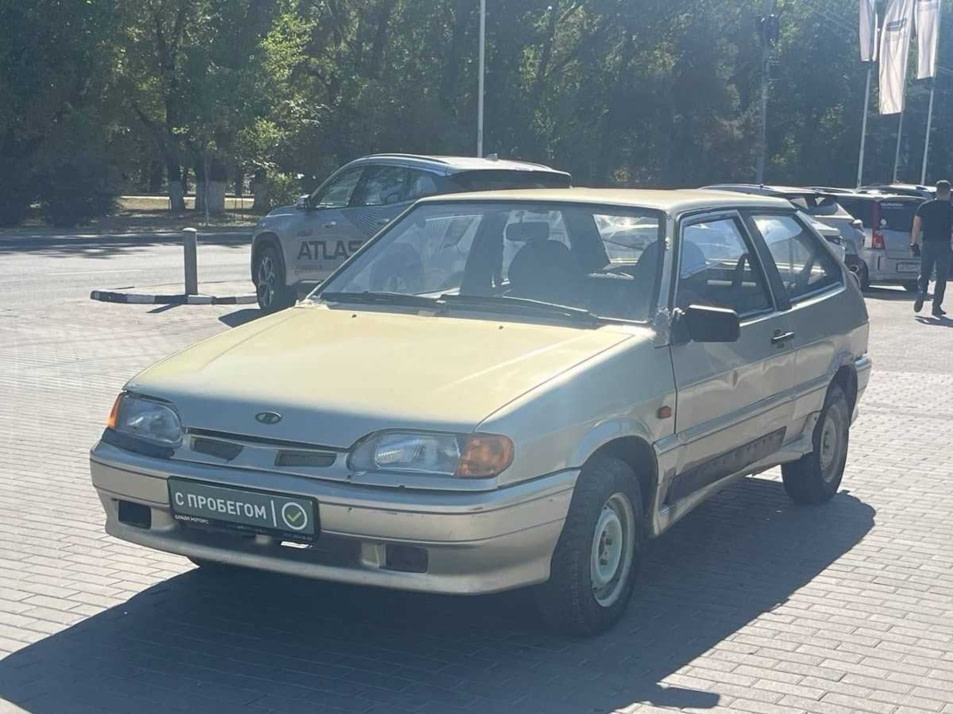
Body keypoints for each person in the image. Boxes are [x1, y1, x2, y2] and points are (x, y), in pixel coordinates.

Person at [910, 180, 953, 317]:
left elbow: (916, 225)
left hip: (927, 243)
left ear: (936, 190)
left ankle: (922, 291)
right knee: (941, 277)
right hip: (944, 244)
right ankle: (936, 306)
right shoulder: (950, 208)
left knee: (925, 271)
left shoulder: (925, 206)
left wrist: (914, 243)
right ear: (948, 192)